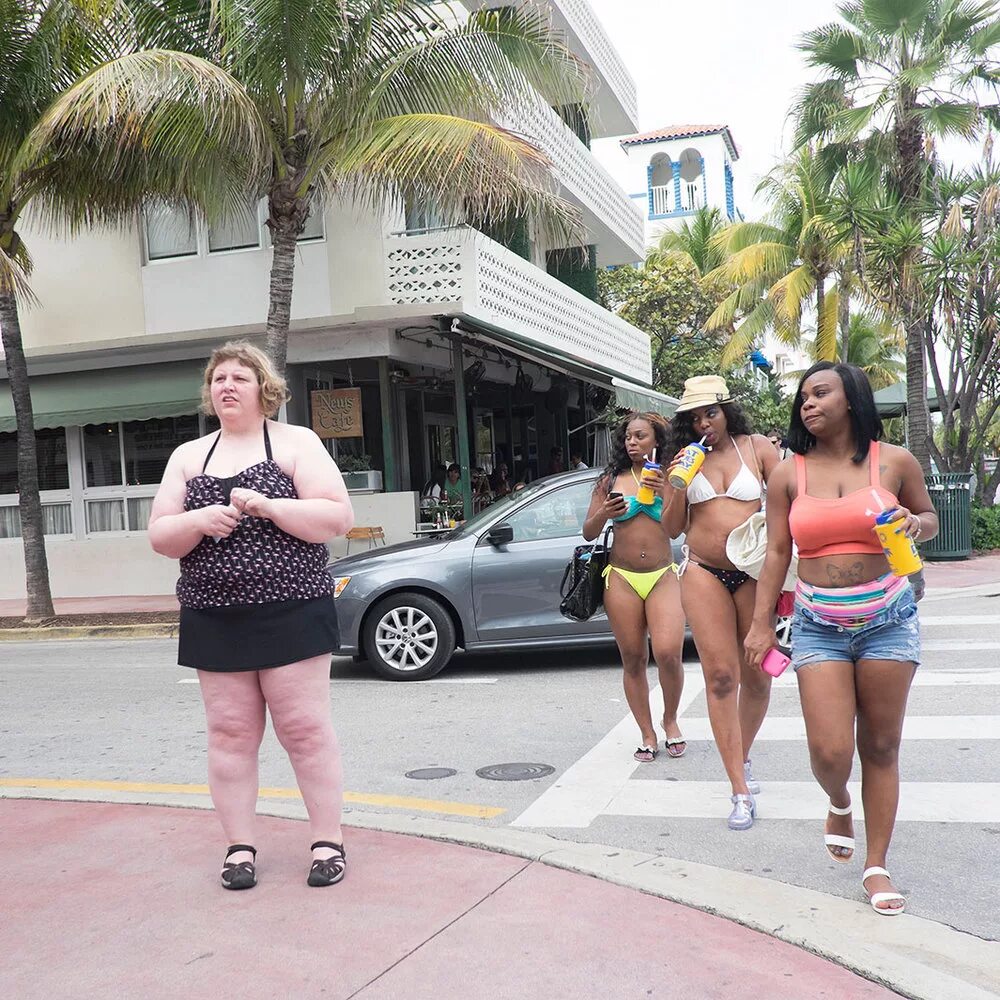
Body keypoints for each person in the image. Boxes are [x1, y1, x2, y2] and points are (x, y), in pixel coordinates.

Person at [148, 340, 355, 891]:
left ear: (264, 388)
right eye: (219, 379)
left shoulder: (297, 442)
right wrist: (197, 522)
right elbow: (161, 535)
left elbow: (336, 517)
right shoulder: (189, 456)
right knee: (230, 733)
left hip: (294, 608)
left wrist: (270, 506)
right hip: (213, 614)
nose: (227, 386)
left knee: (304, 729)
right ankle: (239, 848)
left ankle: (328, 842)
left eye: (239, 378)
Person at [744, 362, 937, 915]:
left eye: (820, 393)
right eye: (803, 396)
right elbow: (776, 552)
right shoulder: (788, 474)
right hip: (818, 625)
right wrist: (761, 623)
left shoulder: (894, 461)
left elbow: (929, 518)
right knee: (829, 751)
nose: (807, 403)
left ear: (850, 399)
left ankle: (876, 865)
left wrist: (914, 522)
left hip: (888, 619)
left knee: (880, 745)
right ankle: (838, 799)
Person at [663, 376, 780, 829]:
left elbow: (788, 504)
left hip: (752, 573)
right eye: (694, 418)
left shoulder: (757, 448)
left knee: (758, 677)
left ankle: (741, 755)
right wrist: (678, 482)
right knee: (721, 678)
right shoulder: (684, 458)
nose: (703, 424)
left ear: (726, 411)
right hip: (703, 571)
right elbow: (672, 528)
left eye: (710, 413)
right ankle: (738, 789)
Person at [582, 412, 687, 762]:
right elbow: (588, 531)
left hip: (662, 575)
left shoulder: (670, 477)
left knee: (669, 653)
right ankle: (647, 732)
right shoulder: (611, 479)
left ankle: (670, 719)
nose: (632, 442)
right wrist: (604, 513)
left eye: (640, 436)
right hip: (622, 578)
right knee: (633, 658)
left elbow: (677, 529)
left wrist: (665, 492)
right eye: (628, 436)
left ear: (656, 440)